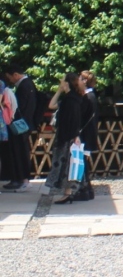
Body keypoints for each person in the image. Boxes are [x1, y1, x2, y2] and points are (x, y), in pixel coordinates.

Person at [45, 72, 87, 205]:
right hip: (66, 135)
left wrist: (75, 135)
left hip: (68, 136)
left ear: (67, 83)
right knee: (68, 165)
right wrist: (59, 91)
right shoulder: (70, 98)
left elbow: (74, 119)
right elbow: (51, 105)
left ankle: (68, 193)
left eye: (62, 81)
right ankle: (68, 192)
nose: (60, 83)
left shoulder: (71, 100)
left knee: (67, 165)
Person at [1, 64, 37, 192]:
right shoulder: (28, 84)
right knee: (18, 152)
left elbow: (20, 107)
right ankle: (19, 178)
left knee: (20, 152)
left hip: (20, 125)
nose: (10, 80)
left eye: (9, 77)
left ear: (15, 75)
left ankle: (23, 179)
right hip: (24, 124)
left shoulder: (24, 86)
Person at [74, 70, 99, 201]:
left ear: (84, 81)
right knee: (83, 162)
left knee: (81, 163)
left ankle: (84, 190)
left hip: (84, 134)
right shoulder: (91, 96)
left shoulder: (87, 97)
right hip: (89, 134)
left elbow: (81, 116)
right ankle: (87, 189)